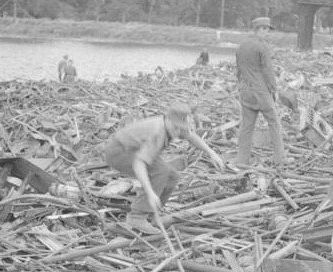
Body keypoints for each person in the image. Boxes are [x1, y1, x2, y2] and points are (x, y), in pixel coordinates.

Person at [104, 103, 224, 232]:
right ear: (169, 120)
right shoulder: (157, 132)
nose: (179, 132)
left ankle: (152, 213)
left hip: (135, 149)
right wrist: (150, 193)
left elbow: (190, 135)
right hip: (120, 151)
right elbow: (139, 163)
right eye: (177, 128)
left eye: (181, 128)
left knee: (172, 177)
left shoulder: (175, 125)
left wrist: (212, 153)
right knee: (161, 172)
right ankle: (137, 217)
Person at [235, 16, 286, 167]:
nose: (268, 33)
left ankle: (242, 161)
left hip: (245, 91)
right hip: (261, 92)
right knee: (274, 123)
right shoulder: (262, 47)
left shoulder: (241, 46)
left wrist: (240, 86)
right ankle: (279, 160)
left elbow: (239, 71)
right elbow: (267, 71)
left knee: (247, 126)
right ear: (260, 29)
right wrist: (274, 90)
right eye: (266, 30)